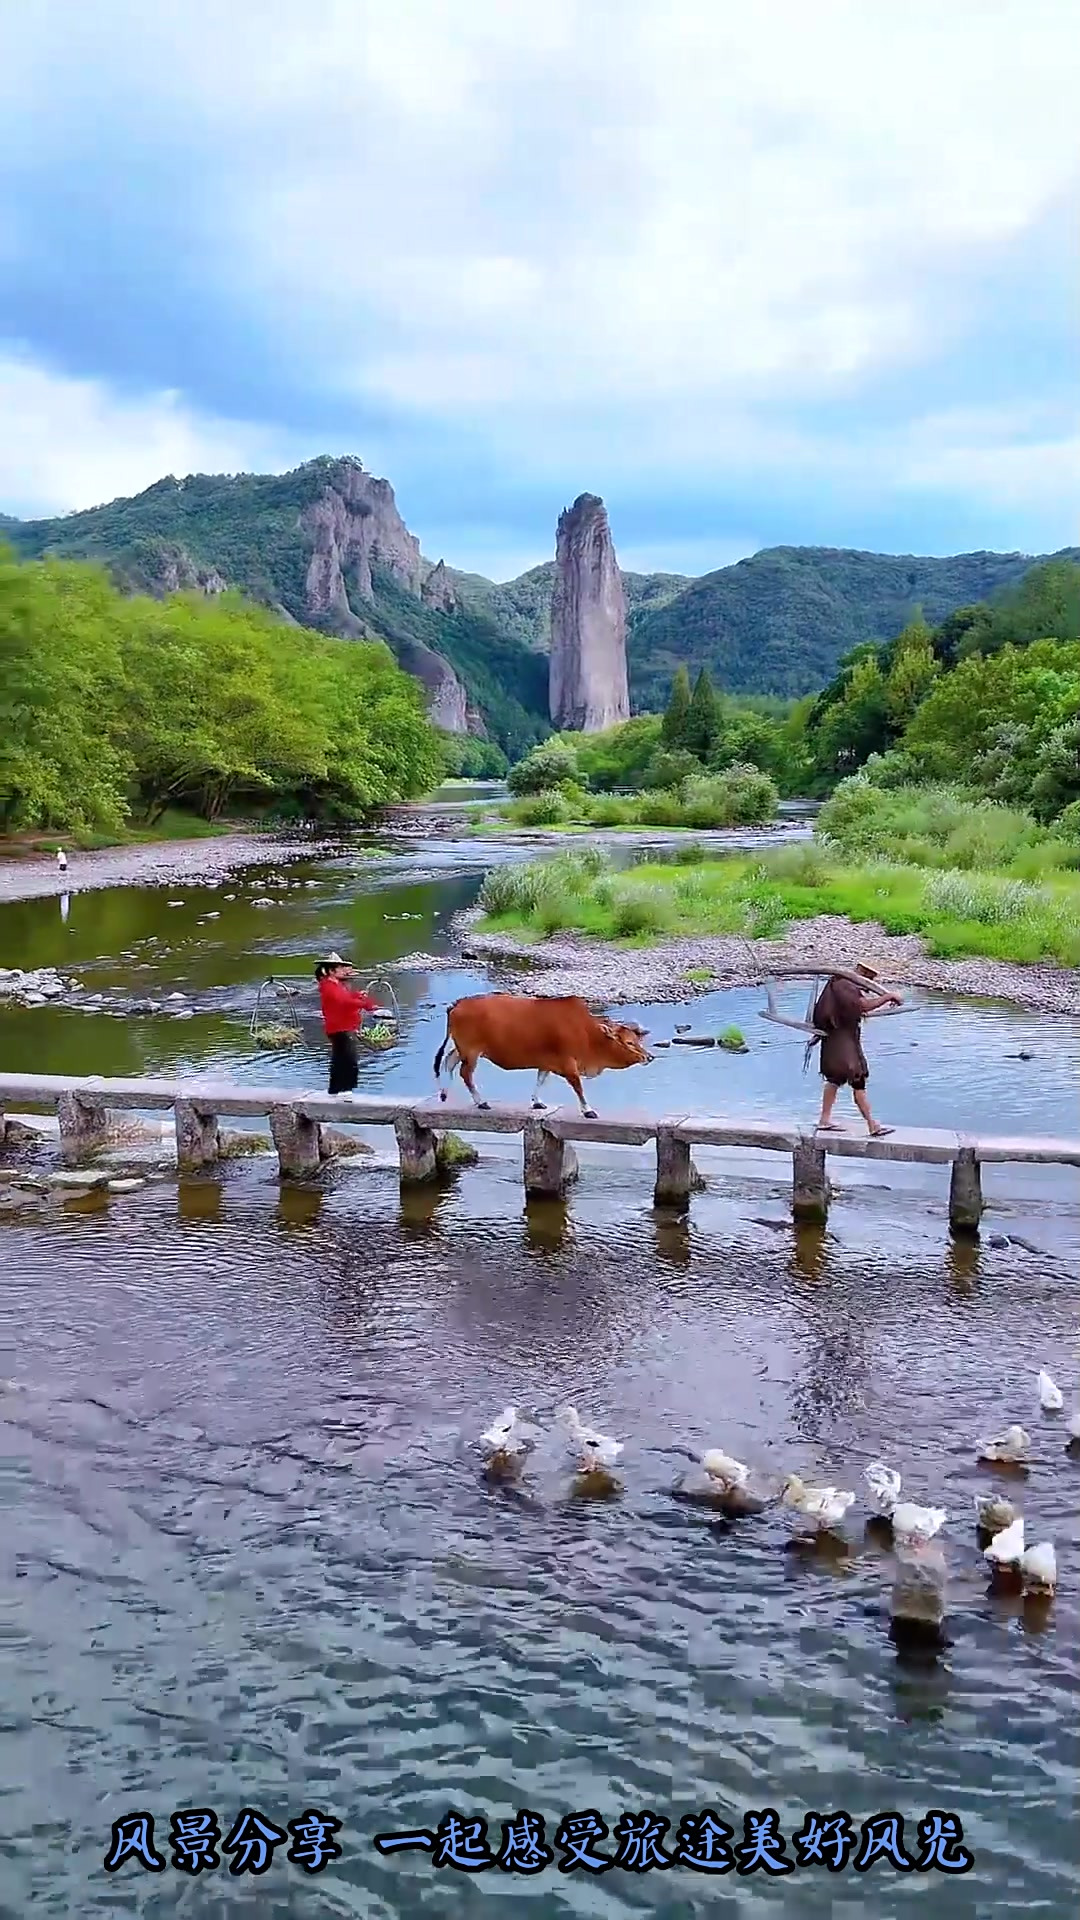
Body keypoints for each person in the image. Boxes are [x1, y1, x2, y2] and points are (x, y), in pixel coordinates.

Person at [812, 962, 903, 1138]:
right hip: (841, 1041)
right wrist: (888, 996)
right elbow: (862, 1006)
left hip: (837, 1039)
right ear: (863, 974)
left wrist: (885, 1000)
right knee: (857, 1078)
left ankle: (825, 1120)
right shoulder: (844, 985)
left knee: (835, 1079)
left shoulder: (840, 984)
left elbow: (854, 1009)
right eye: (869, 978)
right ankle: (872, 1125)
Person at [314, 953, 385, 1095]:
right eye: (340, 968)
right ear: (331, 971)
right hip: (340, 1027)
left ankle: (335, 1089)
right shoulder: (329, 986)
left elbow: (346, 998)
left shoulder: (335, 985)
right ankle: (345, 1090)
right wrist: (364, 1004)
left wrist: (357, 995)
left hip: (342, 1025)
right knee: (348, 1059)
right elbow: (343, 1002)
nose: (343, 970)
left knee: (340, 1058)